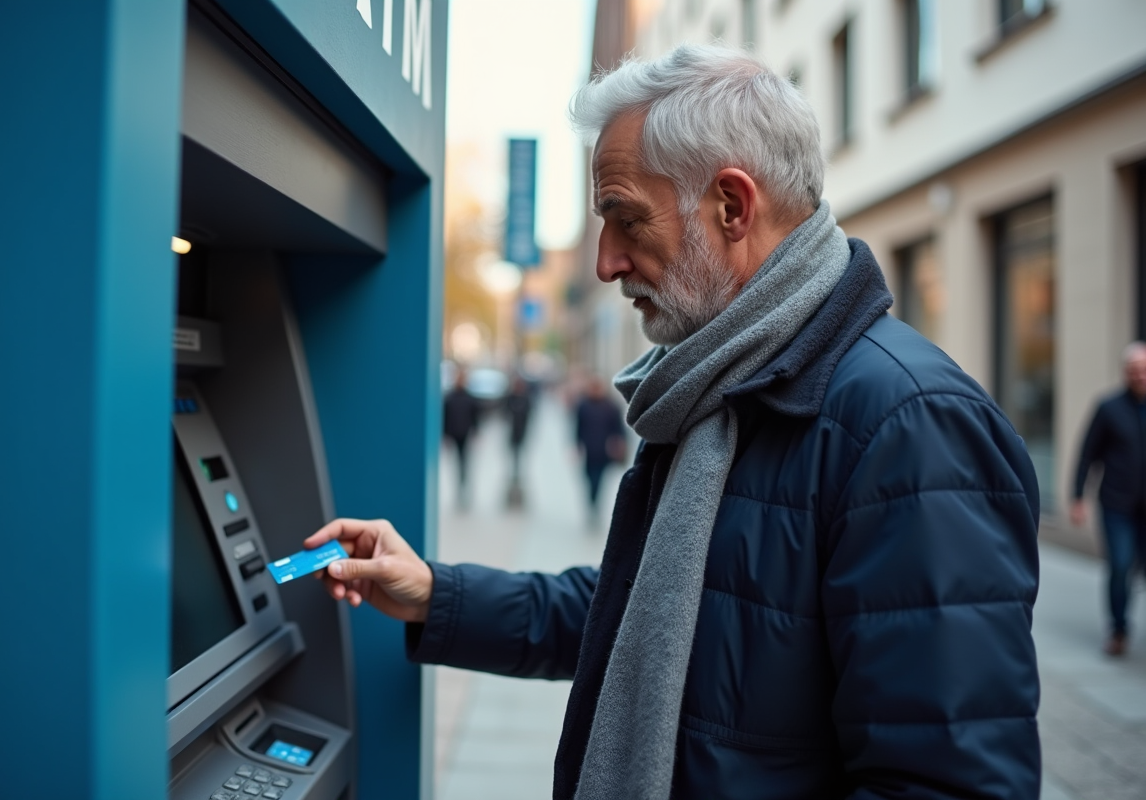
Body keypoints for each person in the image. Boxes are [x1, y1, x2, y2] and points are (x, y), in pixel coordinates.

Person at [306, 46, 1041, 799]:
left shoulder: (907, 426)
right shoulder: (726, 387)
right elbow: (649, 611)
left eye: (624, 218)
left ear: (732, 205)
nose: (605, 262)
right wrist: (436, 592)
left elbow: (947, 781)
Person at [1071, 342, 1146, 657]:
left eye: (1143, 370)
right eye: (1133, 370)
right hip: (1117, 504)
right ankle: (1118, 630)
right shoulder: (1109, 407)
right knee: (1119, 566)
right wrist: (1077, 497)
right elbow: (1087, 454)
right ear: (1124, 373)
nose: (1139, 375)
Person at [574, 376, 626, 521]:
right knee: (589, 478)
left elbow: (619, 429)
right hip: (589, 450)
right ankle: (592, 502)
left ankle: (595, 504)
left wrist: (619, 444)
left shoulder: (611, 406)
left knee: (599, 479)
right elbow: (578, 427)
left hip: (604, 451)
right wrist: (577, 445)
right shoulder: (583, 405)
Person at [442, 368, 480, 507]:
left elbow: (475, 417)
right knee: (459, 463)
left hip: (464, 434)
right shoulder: (451, 397)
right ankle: (459, 488)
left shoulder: (467, 397)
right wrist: (445, 435)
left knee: (464, 462)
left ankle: (463, 487)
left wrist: (475, 432)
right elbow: (446, 417)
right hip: (455, 434)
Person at [503, 376, 534, 507]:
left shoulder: (526, 399)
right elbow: (505, 413)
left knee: (519, 457)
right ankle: (513, 478)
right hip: (512, 433)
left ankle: (518, 478)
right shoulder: (510, 397)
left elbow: (529, 415)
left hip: (521, 433)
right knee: (513, 457)